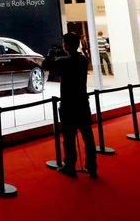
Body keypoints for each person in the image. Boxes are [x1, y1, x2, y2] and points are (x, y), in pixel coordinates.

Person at [43, 32, 97, 179]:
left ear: (66, 45)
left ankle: (70, 167)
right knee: (88, 137)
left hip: (68, 104)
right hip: (82, 102)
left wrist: (50, 54)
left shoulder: (64, 61)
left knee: (69, 137)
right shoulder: (83, 59)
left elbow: (46, 65)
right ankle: (92, 168)